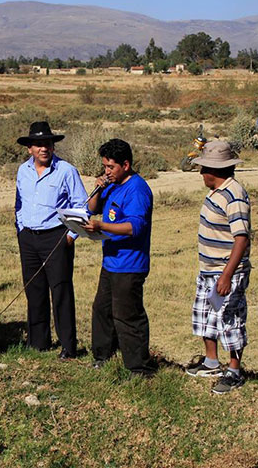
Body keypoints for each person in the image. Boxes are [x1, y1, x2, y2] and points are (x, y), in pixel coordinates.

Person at [83, 139, 158, 378]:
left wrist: (102, 226)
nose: (106, 171)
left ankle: (139, 367)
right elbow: (93, 207)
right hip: (111, 261)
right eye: (104, 166)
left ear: (126, 165)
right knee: (102, 309)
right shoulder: (111, 184)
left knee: (128, 315)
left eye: (111, 167)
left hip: (130, 263)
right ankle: (103, 355)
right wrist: (97, 188)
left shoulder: (137, 190)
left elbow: (134, 227)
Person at [15, 121, 88, 359]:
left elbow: (81, 205)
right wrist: (21, 228)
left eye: (47, 144)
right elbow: (19, 203)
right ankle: (38, 342)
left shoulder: (66, 170)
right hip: (29, 237)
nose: (43, 149)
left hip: (56, 236)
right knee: (34, 291)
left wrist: (71, 235)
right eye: (38, 145)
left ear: (53, 146)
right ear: (30, 149)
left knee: (61, 291)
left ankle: (68, 345)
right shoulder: (22, 171)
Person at [184, 141, 251, 394]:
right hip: (209, 269)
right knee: (206, 316)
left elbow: (241, 238)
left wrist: (227, 275)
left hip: (226, 271)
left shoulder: (234, 195)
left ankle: (234, 370)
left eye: (204, 169)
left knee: (229, 320)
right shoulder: (217, 191)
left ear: (216, 170)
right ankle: (212, 361)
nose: (201, 174)